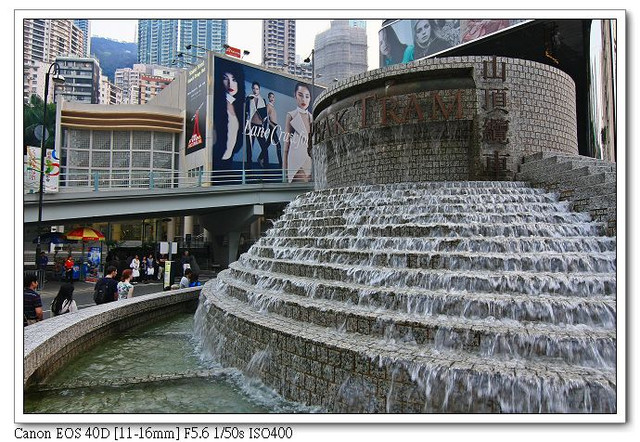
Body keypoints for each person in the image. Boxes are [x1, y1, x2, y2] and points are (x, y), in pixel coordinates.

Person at [214, 66, 245, 169]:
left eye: (234, 79)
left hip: (229, 161)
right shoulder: (216, 104)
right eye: (225, 78)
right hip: (215, 162)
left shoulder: (237, 106)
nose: (230, 83)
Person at [283, 83, 313, 183]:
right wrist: (284, 173)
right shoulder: (291, 115)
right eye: (300, 95)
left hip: (309, 161)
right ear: (295, 95)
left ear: (310, 98)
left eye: (307, 96)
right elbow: (286, 147)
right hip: (296, 161)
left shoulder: (312, 118)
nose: (304, 99)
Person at [245, 81, 270, 168]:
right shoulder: (249, 99)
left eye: (257, 89)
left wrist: (264, 127)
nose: (255, 91)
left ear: (259, 90)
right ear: (252, 89)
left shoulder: (262, 100)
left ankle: (266, 165)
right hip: (250, 125)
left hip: (260, 127)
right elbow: (246, 113)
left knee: (264, 147)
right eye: (254, 89)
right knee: (249, 148)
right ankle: (248, 167)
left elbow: (265, 116)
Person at [266, 92, 283, 167]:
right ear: (268, 98)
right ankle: (281, 163)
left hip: (274, 127)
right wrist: (273, 125)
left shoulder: (272, 107)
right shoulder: (268, 106)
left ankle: (260, 158)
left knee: (267, 143)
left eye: (273, 97)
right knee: (278, 145)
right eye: (271, 97)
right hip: (272, 126)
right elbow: (266, 119)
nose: (272, 99)